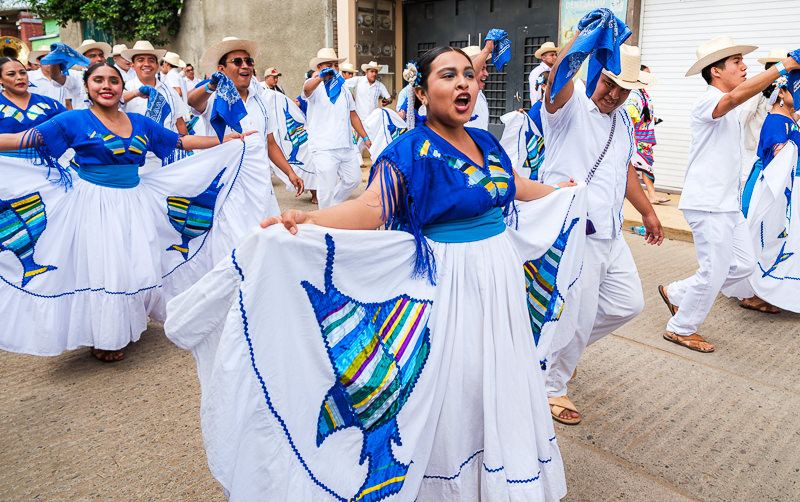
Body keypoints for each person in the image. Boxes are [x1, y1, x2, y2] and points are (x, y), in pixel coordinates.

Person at [165, 45, 570, 501]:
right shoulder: (410, 150)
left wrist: (560, 193)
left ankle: (497, 476)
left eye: (468, 76)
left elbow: (514, 187)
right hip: (451, 284)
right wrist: (309, 220)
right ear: (421, 91)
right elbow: (372, 207)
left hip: (498, 282)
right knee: (457, 386)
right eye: (447, 75)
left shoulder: (488, 142)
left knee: (498, 377)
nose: (462, 83)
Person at [0, 62, 260, 362]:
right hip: (92, 202)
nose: (106, 85)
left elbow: (180, 140)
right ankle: (105, 335)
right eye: (98, 80)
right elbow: (23, 140)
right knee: (106, 265)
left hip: (136, 199)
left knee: (138, 261)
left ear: (122, 88)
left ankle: (128, 320)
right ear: (87, 86)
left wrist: (223, 140)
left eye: (113, 80)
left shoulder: (140, 122)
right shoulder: (72, 120)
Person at [542, 13, 664, 425]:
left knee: (628, 303)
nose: (613, 94)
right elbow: (557, 84)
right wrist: (581, 38)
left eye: (623, 89)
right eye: (609, 82)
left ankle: (554, 352)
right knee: (574, 312)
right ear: (596, 71)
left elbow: (624, 169)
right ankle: (551, 385)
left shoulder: (623, 122)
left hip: (610, 233)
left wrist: (646, 211)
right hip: (573, 232)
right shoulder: (571, 102)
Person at [659, 38, 799, 353]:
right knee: (715, 269)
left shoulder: (732, 106)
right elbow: (736, 97)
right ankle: (681, 327)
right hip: (707, 203)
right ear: (716, 71)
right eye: (737, 61)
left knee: (744, 265)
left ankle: (678, 293)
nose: (744, 66)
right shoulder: (707, 102)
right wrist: (783, 65)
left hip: (727, 204)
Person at [189, 36, 303, 207]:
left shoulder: (262, 101)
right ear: (222, 69)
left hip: (260, 186)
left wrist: (290, 173)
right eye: (237, 61)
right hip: (226, 186)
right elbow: (193, 101)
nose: (245, 66)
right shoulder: (214, 97)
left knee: (264, 231)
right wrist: (211, 86)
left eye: (248, 61)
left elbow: (270, 143)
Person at [738, 75, 799, 313]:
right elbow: (779, 155)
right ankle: (756, 292)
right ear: (782, 93)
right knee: (771, 237)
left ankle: (763, 290)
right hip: (776, 187)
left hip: (787, 186)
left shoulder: (787, 119)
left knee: (779, 239)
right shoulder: (776, 121)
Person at [303, 48, 371, 209]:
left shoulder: (345, 88)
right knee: (326, 187)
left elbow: (353, 115)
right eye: (329, 65)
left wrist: (366, 137)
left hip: (345, 146)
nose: (333, 68)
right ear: (319, 68)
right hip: (323, 147)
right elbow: (306, 90)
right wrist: (320, 78)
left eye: (335, 65)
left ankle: (332, 207)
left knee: (353, 179)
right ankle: (325, 221)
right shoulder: (313, 85)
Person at [121, 41, 189, 172]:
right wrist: (135, 94)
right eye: (141, 60)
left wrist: (188, 153)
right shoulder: (124, 89)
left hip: (167, 159)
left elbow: (180, 123)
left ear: (157, 65)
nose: (146, 64)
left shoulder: (170, 92)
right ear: (133, 65)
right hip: (134, 160)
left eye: (151, 60)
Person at [0, 57, 66, 155]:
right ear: (0, 79)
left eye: (23, 72)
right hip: (7, 167)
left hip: (48, 166)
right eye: (11, 74)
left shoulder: (49, 103)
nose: (19, 77)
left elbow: (71, 126)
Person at [739, 48, 788, 178]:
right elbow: (745, 113)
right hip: (755, 144)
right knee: (749, 174)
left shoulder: (786, 91)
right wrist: (737, 138)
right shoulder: (759, 90)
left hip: (775, 143)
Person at [623, 65, 669, 204]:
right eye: (646, 74)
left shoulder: (642, 93)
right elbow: (631, 114)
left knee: (643, 166)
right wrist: (632, 138)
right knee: (642, 166)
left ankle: (651, 195)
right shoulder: (635, 94)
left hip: (645, 137)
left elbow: (642, 114)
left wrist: (652, 120)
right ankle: (651, 195)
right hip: (640, 137)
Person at [462, 43, 492, 130]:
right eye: (482, 69)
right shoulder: (462, 95)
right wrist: (486, 49)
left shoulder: (480, 96)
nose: (486, 74)